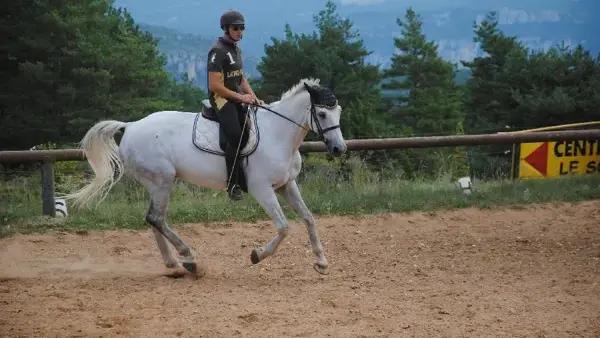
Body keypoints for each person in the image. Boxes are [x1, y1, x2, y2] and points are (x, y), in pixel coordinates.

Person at [206, 9, 264, 201]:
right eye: (236, 28)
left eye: (242, 27)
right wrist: (241, 98)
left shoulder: (236, 49)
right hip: (221, 100)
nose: (240, 31)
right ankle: (232, 184)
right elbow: (214, 86)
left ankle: (243, 177)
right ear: (226, 28)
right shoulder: (218, 51)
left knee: (248, 131)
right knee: (235, 136)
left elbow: (240, 78)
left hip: (236, 97)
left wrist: (253, 97)